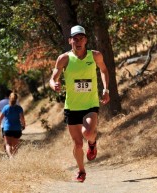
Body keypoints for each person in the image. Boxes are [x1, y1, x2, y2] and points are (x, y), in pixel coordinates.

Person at [49, 25, 110, 182]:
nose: (78, 41)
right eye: (75, 38)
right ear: (70, 41)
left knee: (88, 132)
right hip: (72, 107)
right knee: (77, 144)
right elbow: (53, 77)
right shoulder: (64, 58)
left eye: (81, 38)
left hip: (90, 104)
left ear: (86, 40)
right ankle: (81, 171)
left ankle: (92, 143)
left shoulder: (95, 56)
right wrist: (54, 85)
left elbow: (103, 70)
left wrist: (106, 89)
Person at [0, 92, 26, 158]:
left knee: (8, 144)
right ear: (16, 99)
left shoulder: (5, 107)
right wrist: (23, 125)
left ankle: (10, 157)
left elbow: (0, 118)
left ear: (9, 98)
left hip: (7, 128)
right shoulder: (19, 108)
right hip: (17, 129)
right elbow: (22, 119)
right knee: (15, 145)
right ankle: (14, 158)